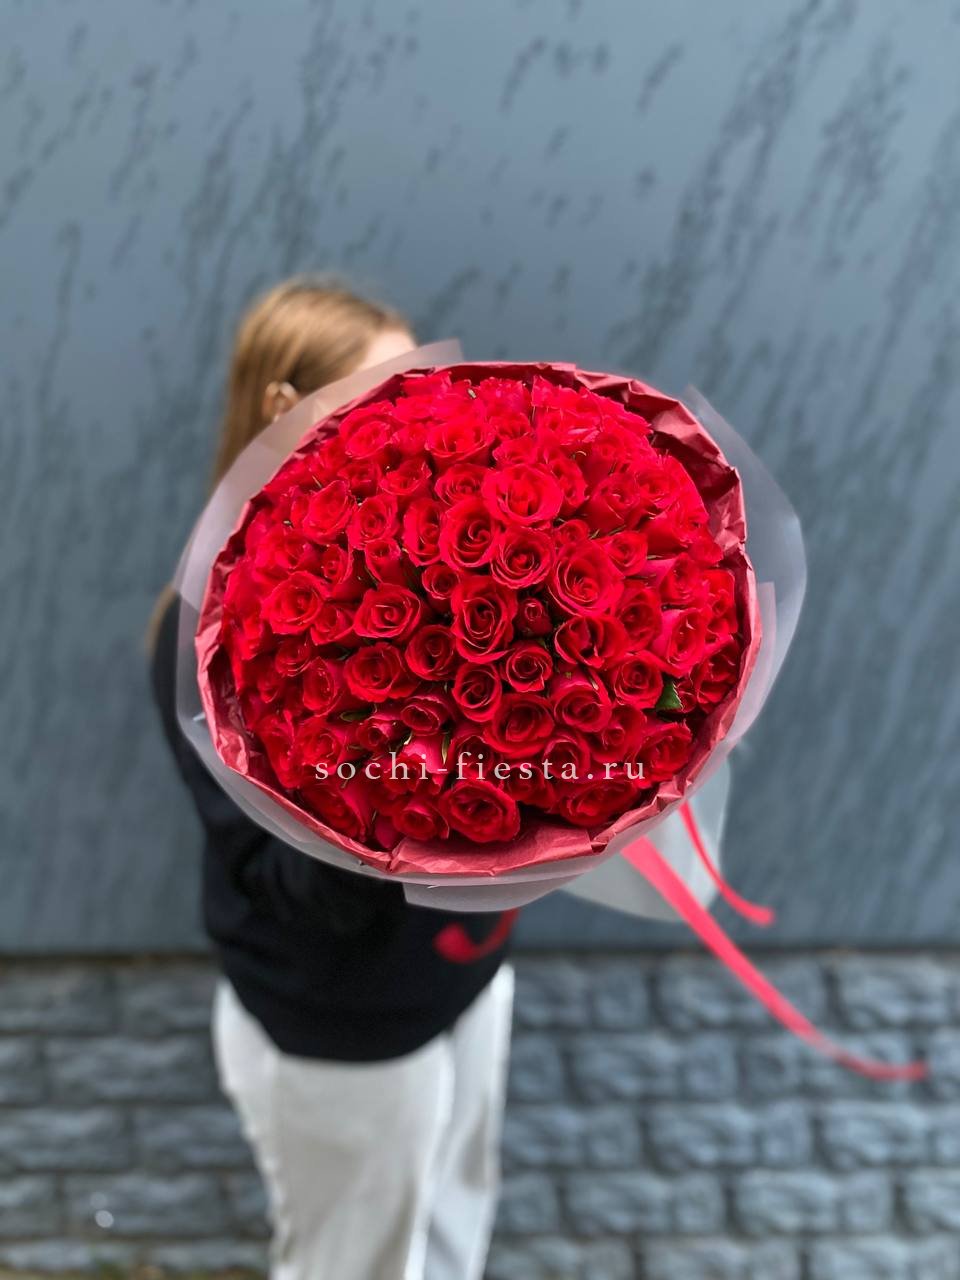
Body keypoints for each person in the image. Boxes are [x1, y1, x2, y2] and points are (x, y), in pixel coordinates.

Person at [149, 277, 516, 1280]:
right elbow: (285, 885)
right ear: (286, 415)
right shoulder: (208, 636)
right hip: (342, 1020)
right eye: (382, 399)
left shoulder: (446, 571)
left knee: (452, 1238)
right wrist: (387, 773)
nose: (416, 425)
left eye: (420, 393)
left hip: (465, 974)